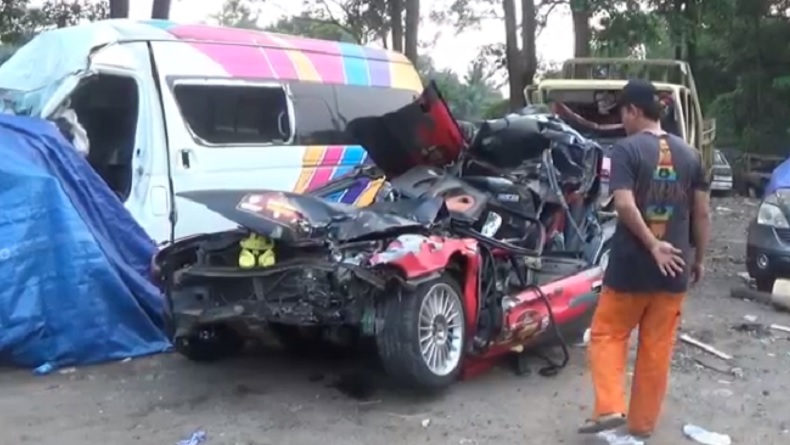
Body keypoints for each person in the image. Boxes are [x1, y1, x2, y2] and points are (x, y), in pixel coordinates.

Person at [577, 79, 711, 439]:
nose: (622, 121)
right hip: (675, 272)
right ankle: (640, 427)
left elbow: (623, 203)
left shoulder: (624, 151)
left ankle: (609, 407)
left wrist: (652, 244)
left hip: (630, 270)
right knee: (656, 351)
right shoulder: (691, 155)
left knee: (607, 334)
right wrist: (700, 258)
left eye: (623, 113)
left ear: (634, 111)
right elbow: (702, 214)